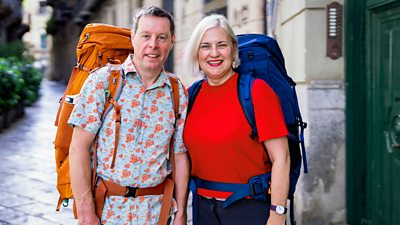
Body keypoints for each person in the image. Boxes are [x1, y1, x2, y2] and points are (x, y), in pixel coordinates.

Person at [68, 6, 189, 225]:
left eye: (161, 37)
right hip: (107, 212)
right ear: (133, 38)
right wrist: (86, 211)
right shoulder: (103, 82)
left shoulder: (176, 91)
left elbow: (179, 154)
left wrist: (181, 212)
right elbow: (78, 147)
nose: (153, 45)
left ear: (172, 41)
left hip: (157, 214)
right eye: (146, 36)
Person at [183, 14, 290, 225]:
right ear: (197, 52)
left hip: (249, 210)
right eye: (206, 46)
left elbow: (282, 158)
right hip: (203, 210)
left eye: (221, 45)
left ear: (233, 49)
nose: (214, 53)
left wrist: (278, 213)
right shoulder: (190, 96)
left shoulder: (257, 91)